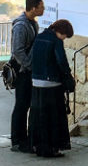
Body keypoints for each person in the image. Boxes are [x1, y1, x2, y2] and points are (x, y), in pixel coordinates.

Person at [29, 18, 76, 158]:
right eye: (65, 36)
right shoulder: (56, 41)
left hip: (36, 82)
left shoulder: (39, 38)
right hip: (52, 83)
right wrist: (68, 77)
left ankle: (37, 145)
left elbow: (32, 58)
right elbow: (61, 61)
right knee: (54, 117)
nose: (64, 38)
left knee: (39, 116)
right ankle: (52, 148)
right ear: (61, 32)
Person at [10, 0, 43, 153]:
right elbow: (17, 50)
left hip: (29, 71)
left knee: (27, 104)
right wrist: (29, 65)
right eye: (41, 6)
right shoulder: (21, 25)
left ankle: (25, 138)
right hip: (23, 71)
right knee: (21, 105)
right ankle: (17, 140)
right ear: (34, 7)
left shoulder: (33, 23)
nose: (43, 9)